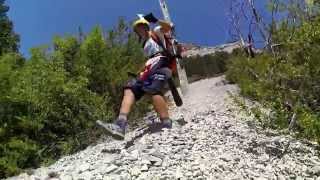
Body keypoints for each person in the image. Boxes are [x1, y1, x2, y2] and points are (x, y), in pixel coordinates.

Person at [101, 15, 178, 140]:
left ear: (145, 27)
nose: (139, 30)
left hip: (161, 63)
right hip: (148, 67)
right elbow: (149, 59)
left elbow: (168, 26)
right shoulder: (144, 44)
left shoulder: (156, 32)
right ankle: (120, 125)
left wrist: (155, 20)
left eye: (141, 27)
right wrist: (140, 71)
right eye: (137, 29)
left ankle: (166, 124)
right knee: (130, 88)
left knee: (154, 90)